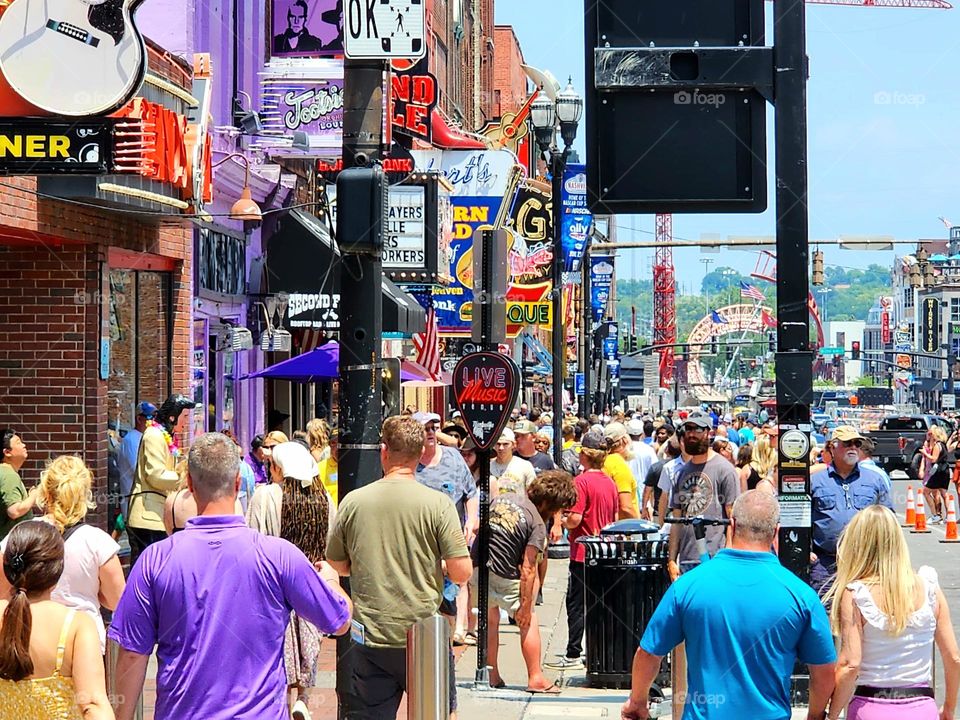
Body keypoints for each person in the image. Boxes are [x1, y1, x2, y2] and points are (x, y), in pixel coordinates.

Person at [109, 433, 351, 720]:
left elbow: (133, 653)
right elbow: (339, 621)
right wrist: (332, 580)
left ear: (190, 484)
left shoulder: (155, 560)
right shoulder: (279, 556)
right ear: (238, 483)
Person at [621, 490, 837, 720]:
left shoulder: (688, 585)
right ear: (776, 531)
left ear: (732, 525)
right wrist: (815, 715)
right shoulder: (801, 596)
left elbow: (648, 653)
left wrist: (637, 702)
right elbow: (824, 671)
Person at [326, 416, 471, 720]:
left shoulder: (353, 502)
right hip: (423, 634)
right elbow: (462, 572)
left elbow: (336, 564)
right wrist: (435, 566)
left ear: (383, 451)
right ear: (420, 453)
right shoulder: (438, 504)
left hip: (372, 636)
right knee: (437, 714)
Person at [822, 505, 960, 720]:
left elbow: (850, 664)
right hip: (921, 706)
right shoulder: (929, 587)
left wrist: (831, 714)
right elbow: (953, 657)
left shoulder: (857, 593)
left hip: (871, 705)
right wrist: (949, 707)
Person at [0, 457, 124, 655]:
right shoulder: (98, 542)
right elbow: (117, 600)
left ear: (46, 492)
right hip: (84, 644)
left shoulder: (20, 534)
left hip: (28, 641)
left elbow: (3, 591)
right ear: (84, 495)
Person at [248, 441, 330, 720]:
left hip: (273, 587)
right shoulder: (323, 499)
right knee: (309, 645)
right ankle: (303, 699)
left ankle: (281, 703)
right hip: (310, 584)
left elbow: (253, 537)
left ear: (279, 469)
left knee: (278, 649)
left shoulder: (266, 495)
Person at [476, 471, 577, 693]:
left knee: (491, 620)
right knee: (528, 621)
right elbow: (529, 568)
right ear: (549, 504)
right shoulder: (537, 523)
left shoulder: (503, 498)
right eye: (558, 509)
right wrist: (525, 604)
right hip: (506, 573)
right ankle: (536, 678)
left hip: (479, 567)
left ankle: (491, 675)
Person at [547, 432, 618, 672]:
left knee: (576, 603)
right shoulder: (610, 482)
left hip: (583, 553)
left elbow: (575, 518)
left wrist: (561, 521)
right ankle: (598, 649)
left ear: (585, 455)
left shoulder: (581, 482)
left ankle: (573, 651)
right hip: (606, 551)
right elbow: (614, 518)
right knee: (600, 604)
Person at [811, 426, 893, 595]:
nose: (853, 447)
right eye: (847, 443)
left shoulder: (874, 479)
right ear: (832, 447)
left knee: (863, 609)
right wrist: (807, 551)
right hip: (826, 563)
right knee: (827, 609)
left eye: (857, 443)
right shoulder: (815, 481)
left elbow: (888, 520)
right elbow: (802, 520)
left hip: (866, 564)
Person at [665, 415, 739, 579]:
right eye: (688, 429)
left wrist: (728, 557)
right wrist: (672, 559)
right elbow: (677, 521)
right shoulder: (681, 473)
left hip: (716, 558)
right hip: (686, 560)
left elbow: (732, 519)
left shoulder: (725, 470)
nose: (691, 434)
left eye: (697, 429)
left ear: (708, 433)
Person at [126, 394, 195, 566]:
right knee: (148, 566)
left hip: (158, 515)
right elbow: (155, 475)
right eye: (185, 416)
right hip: (148, 517)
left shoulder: (164, 435)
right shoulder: (154, 435)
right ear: (172, 416)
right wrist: (184, 478)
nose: (186, 422)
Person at [414, 412, 479, 547]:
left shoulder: (453, 456)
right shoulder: (409, 461)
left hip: (453, 538)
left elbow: (471, 492)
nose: (431, 432)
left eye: (433, 428)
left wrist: (471, 520)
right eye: (425, 429)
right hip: (420, 539)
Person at [116, 402, 155, 521]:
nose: (153, 421)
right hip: (133, 499)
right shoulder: (131, 440)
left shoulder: (149, 437)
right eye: (149, 417)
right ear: (139, 419)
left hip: (145, 500)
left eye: (155, 417)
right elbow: (137, 469)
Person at [0, 429, 37, 541]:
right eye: (18, 443)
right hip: (10, 544)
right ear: (7, 452)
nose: (24, 445)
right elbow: (14, 511)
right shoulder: (9, 475)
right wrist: (33, 496)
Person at [603, 422, 640, 519]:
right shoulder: (618, 465)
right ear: (624, 440)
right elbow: (626, 507)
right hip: (624, 524)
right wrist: (639, 524)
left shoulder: (604, 460)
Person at [490, 428, 536, 496]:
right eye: (498, 444)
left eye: (505, 444)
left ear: (514, 445)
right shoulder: (487, 468)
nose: (501, 448)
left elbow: (533, 493)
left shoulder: (525, 466)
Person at [919, 425, 950, 523]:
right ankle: (949, 515)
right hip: (945, 470)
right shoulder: (944, 445)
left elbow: (934, 459)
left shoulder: (938, 445)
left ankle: (935, 515)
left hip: (938, 471)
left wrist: (925, 453)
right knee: (944, 493)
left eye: (933, 434)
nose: (931, 435)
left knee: (926, 492)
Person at [627, 419, 658, 506]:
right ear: (642, 433)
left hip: (627, 496)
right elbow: (655, 470)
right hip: (645, 497)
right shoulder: (649, 450)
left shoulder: (623, 450)